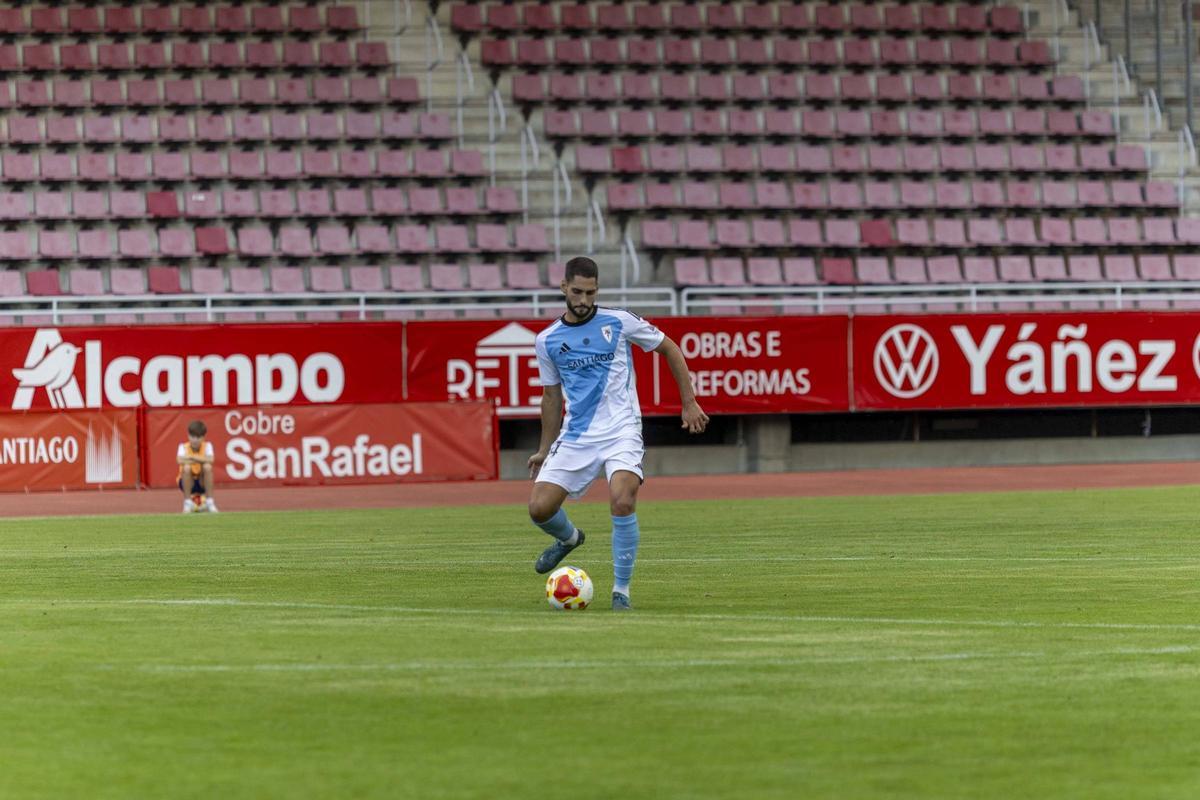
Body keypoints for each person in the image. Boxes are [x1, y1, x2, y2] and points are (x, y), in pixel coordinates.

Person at [527, 256, 709, 610]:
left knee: (623, 499)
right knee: (538, 508)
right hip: (577, 435)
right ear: (564, 287)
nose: (583, 300)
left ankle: (621, 592)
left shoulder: (619, 321)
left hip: (621, 430)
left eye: (590, 293)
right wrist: (543, 448)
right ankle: (569, 539)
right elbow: (550, 397)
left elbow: (669, 347)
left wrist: (689, 402)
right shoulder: (547, 340)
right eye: (577, 292)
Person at [177, 420, 218, 513]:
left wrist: (192, 457)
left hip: (202, 481)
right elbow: (180, 460)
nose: (195, 440)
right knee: (186, 468)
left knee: (207, 467)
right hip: (187, 482)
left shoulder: (207, 446)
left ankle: (210, 502)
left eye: (198, 437)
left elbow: (211, 460)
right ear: (188, 436)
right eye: (192, 436)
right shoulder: (183, 447)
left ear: (203, 437)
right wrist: (202, 459)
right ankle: (187, 503)